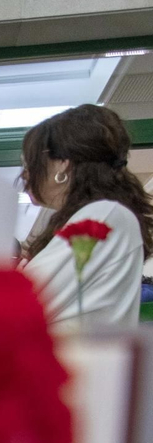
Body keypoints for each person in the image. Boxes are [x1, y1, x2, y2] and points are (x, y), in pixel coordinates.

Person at [20, 104, 153, 331]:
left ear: (62, 164)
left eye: (30, 163)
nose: (25, 175)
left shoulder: (103, 217)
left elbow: (17, 305)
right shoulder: (105, 216)